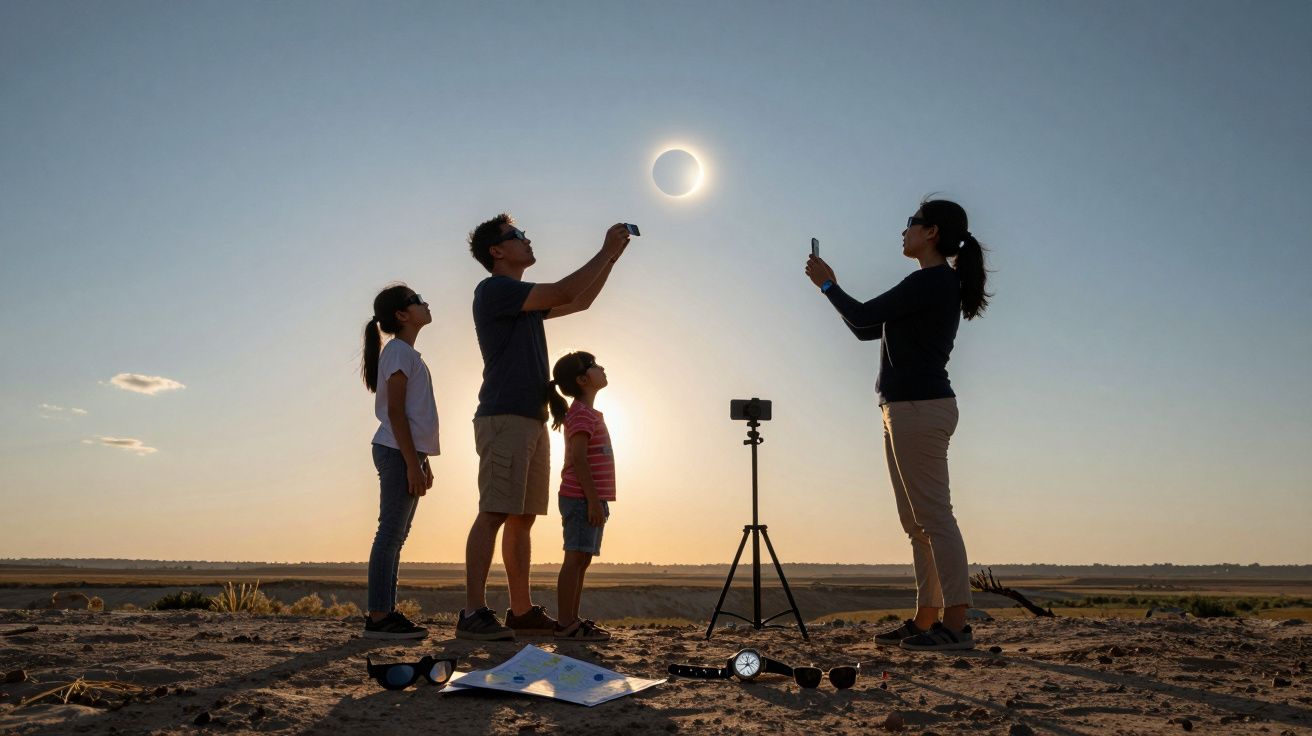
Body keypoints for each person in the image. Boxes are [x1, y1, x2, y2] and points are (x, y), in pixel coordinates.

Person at [805, 198, 991, 652]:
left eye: (911, 223)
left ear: (931, 232)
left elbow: (862, 315)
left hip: (919, 409)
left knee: (935, 517)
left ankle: (957, 625)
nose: (903, 231)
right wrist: (830, 288)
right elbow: (864, 328)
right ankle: (926, 618)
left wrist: (827, 284)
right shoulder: (930, 284)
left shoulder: (933, 280)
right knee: (916, 522)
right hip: (903, 410)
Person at [457, 215, 630, 641]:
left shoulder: (524, 301)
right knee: (494, 511)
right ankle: (473, 612)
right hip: (504, 416)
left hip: (530, 419)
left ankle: (520, 612)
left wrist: (611, 260)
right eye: (518, 235)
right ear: (497, 251)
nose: (527, 239)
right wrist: (605, 251)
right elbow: (567, 291)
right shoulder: (494, 290)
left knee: (522, 518)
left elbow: (580, 301)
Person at [360, 284, 439, 639]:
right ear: (402, 314)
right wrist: (411, 461)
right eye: (417, 300)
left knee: (397, 535)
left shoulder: (405, 353)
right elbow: (395, 411)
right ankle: (379, 617)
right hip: (396, 451)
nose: (425, 302)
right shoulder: (397, 352)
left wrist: (422, 460)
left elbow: (411, 414)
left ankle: (385, 613)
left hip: (404, 452)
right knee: (390, 533)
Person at [547, 351, 616, 641]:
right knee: (574, 558)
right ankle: (565, 624)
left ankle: (572, 621)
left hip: (590, 499)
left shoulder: (587, 413)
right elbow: (578, 458)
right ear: (582, 379)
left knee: (582, 559)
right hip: (581, 498)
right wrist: (592, 500)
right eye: (594, 365)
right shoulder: (581, 414)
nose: (602, 367)